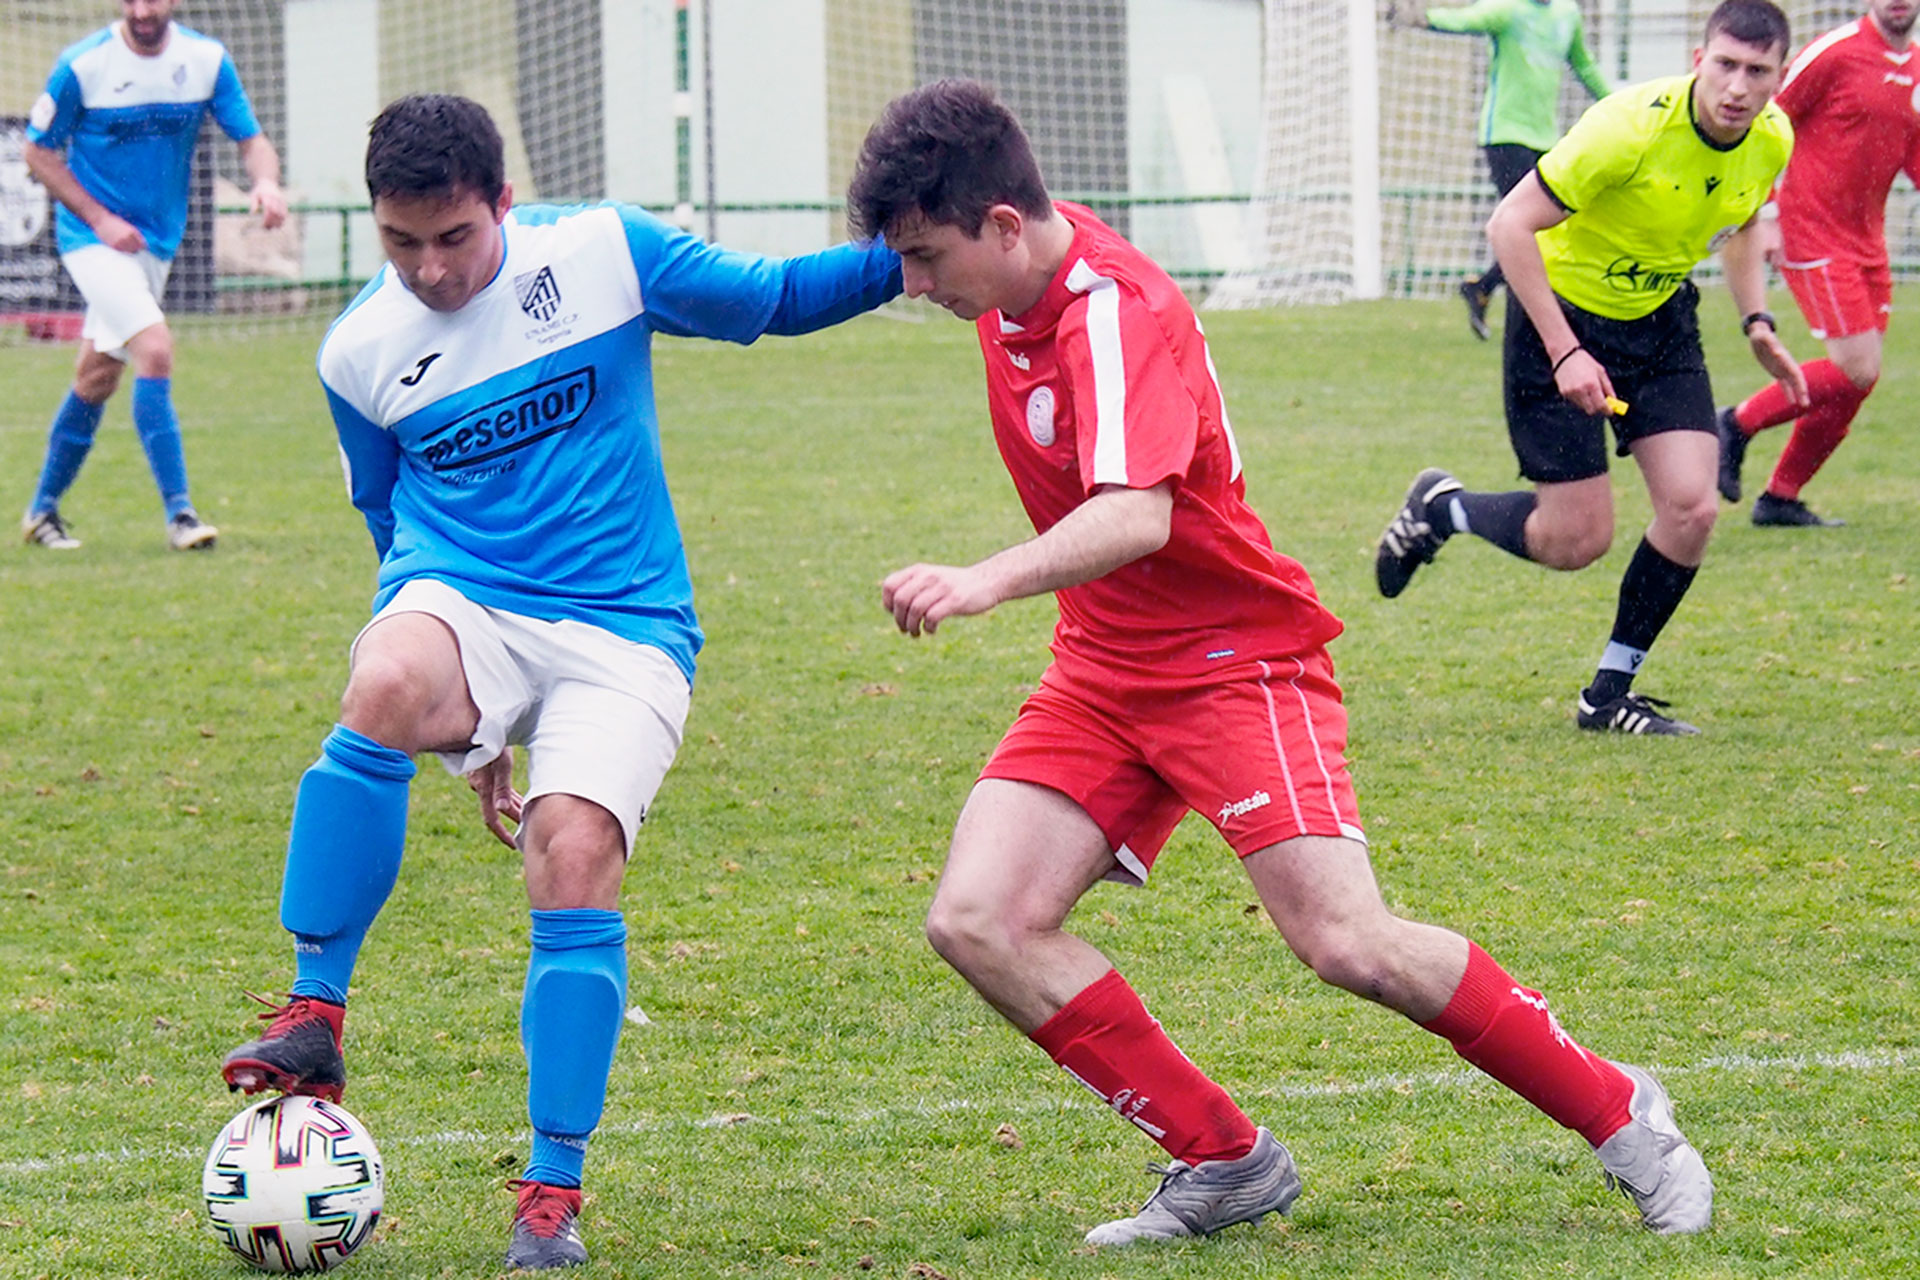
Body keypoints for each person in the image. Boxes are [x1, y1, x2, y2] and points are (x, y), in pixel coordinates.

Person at [846, 77, 1710, 1247]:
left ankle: (1622, 1109)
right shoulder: (1011, 278)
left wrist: (982, 577)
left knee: (1348, 943)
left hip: (1232, 661)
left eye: (925, 255)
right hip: (1105, 666)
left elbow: (1139, 515)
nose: (913, 284)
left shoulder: (1114, 310)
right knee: (979, 916)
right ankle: (1224, 1158)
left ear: (1003, 225)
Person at [217, 93, 899, 1270]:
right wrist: (463, 725)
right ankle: (314, 1010)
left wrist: (918, 258)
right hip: (466, 591)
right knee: (383, 675)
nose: (429, 270)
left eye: (454, 239)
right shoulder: (357, 352)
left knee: (572, 852)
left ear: (504, 206)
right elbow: (388, 519)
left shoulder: (601, 255)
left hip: (626, 626)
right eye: (399, 243)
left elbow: (774, 299)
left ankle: (550, 1190)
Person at [1375, 0, 1807, 737]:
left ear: (1778, 76)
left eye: (1756, 71)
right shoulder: (1629, 127)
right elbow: (1509, 225)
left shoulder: (1771, 138)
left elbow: (1742, 227)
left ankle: (1608, 695)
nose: (1738, 85)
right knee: (1576, 542)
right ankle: (1443, 507)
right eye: (1726, 65)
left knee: (1693, 507)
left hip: (1661, 323)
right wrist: (1565, 350)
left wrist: (1756, 321)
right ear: (1700, 60)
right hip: (1560, 315)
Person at [20, 0, 287, 552]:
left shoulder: (206, 59)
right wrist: (99, 218)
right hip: (92, 240)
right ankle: (181, 515)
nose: (143, 10)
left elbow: (251, 138)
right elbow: (37, 152)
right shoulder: (83, 65)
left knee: (97, 376)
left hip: (154, 243)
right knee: (156, 349)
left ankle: (42, 512)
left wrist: (266, 182)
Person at [1715, 0, 1920, 527]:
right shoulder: (1833, 53)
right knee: (1858, 366)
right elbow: (1765, 119)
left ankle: (1781, 497)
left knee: (1858, 380)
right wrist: (1766, 212)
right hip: (1812, 229)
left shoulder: (1914, 68)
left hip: (1868, 240)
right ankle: (1735, 424)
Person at [1391, 0, 1610, 339]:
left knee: (1548, 230)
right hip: (1505, 137)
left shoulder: (1567, 15)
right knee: (1532, 228)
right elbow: (1466, 20)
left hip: (1546, 141)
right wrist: (1423, 19)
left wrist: (1619, 104)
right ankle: (1521, 313)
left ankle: (1483, 287)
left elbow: (1584, 65)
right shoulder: (1509, 9)